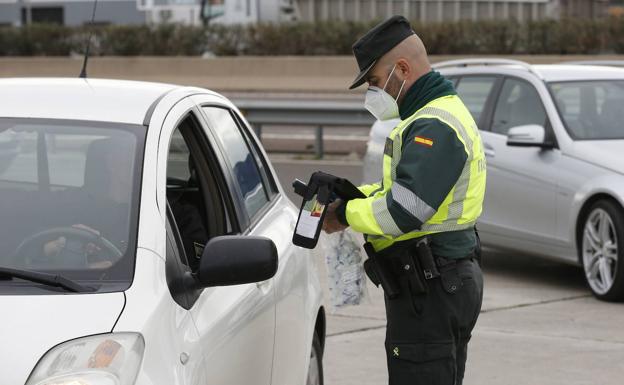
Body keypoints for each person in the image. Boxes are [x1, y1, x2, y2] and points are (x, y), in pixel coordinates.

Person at [322, 16, 486, 385]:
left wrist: (346, 213)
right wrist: (352, 194)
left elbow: (405, 209)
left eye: (376, 82)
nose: (373, 93)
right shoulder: (429, 117)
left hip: (432, 286)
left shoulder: (435, 125)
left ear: (402, 69)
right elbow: (398, 192)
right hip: (435, 282)